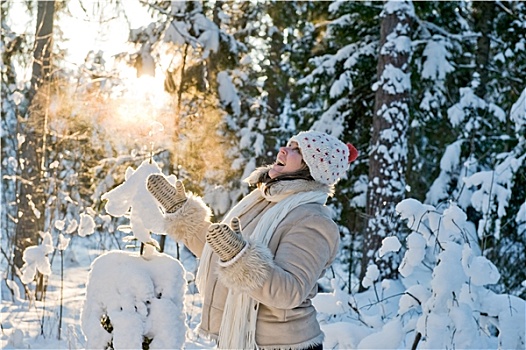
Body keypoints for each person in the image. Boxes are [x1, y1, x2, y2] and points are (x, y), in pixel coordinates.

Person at [146, 130, 358, 350]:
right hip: (241, 340)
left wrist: (239, 258)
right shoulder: (263, 203)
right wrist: (183, 214)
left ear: (312, 169)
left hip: (283, 345)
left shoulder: (313, 220)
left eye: (297, 150)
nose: (284, 150)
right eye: (288, 144)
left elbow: (289, 292)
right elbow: (218, 251)